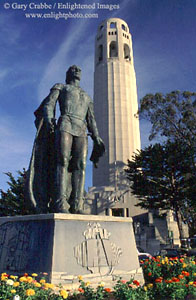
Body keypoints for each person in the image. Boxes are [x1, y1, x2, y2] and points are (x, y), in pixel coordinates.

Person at [26, 65, 105, 214]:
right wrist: (49, 119)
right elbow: (49, 104)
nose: (77, 70)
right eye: (73, 69)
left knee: (80, 165)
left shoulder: (87, 96)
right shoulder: (61, 87)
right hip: (65, 124)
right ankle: (60, 202)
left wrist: (96, 136)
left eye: (79, 69)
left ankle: (77, 203)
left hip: (81, 129)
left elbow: (91, 119)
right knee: (62, 161)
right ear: (68, 74)